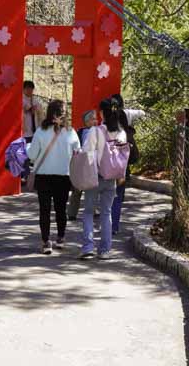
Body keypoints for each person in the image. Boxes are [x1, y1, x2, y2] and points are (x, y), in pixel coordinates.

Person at [26, 99, 80, 254]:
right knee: (61, 209)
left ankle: (45, 242)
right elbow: (78, 152)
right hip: (63, 176)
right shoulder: (71, 132)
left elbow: (32, 155)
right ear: (65, 115)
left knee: (44, 210)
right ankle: (61, 239)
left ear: (49, 114)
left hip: (43, 176)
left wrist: (28, 147)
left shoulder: (41, 132)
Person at [79, 98, 127, 260]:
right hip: (112, 178)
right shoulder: (122, 132)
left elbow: (86, 152)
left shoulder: (96, 131)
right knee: (106, 213)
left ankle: (88, 247)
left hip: (95, 177)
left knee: (88, 212)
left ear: (102, 113)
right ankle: (105, 249)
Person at [110, 94, 143, 234]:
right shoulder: (126, 116)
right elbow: (142, 113)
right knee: (118, 196)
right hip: (123, 166)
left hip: (108, 165)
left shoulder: (106, 124)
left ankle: (108, 224)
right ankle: (114, 226)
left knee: (108, 196)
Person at [67, 109, 101, 220]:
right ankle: (72, 213)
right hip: (81, 163)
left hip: (93, 162)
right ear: (86, 121)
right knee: (77, 188)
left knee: (93, 187)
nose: (96, 121)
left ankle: (94, 209)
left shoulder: (99, 131)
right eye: (93, 119)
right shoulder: (80, 132)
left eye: (96, 119)